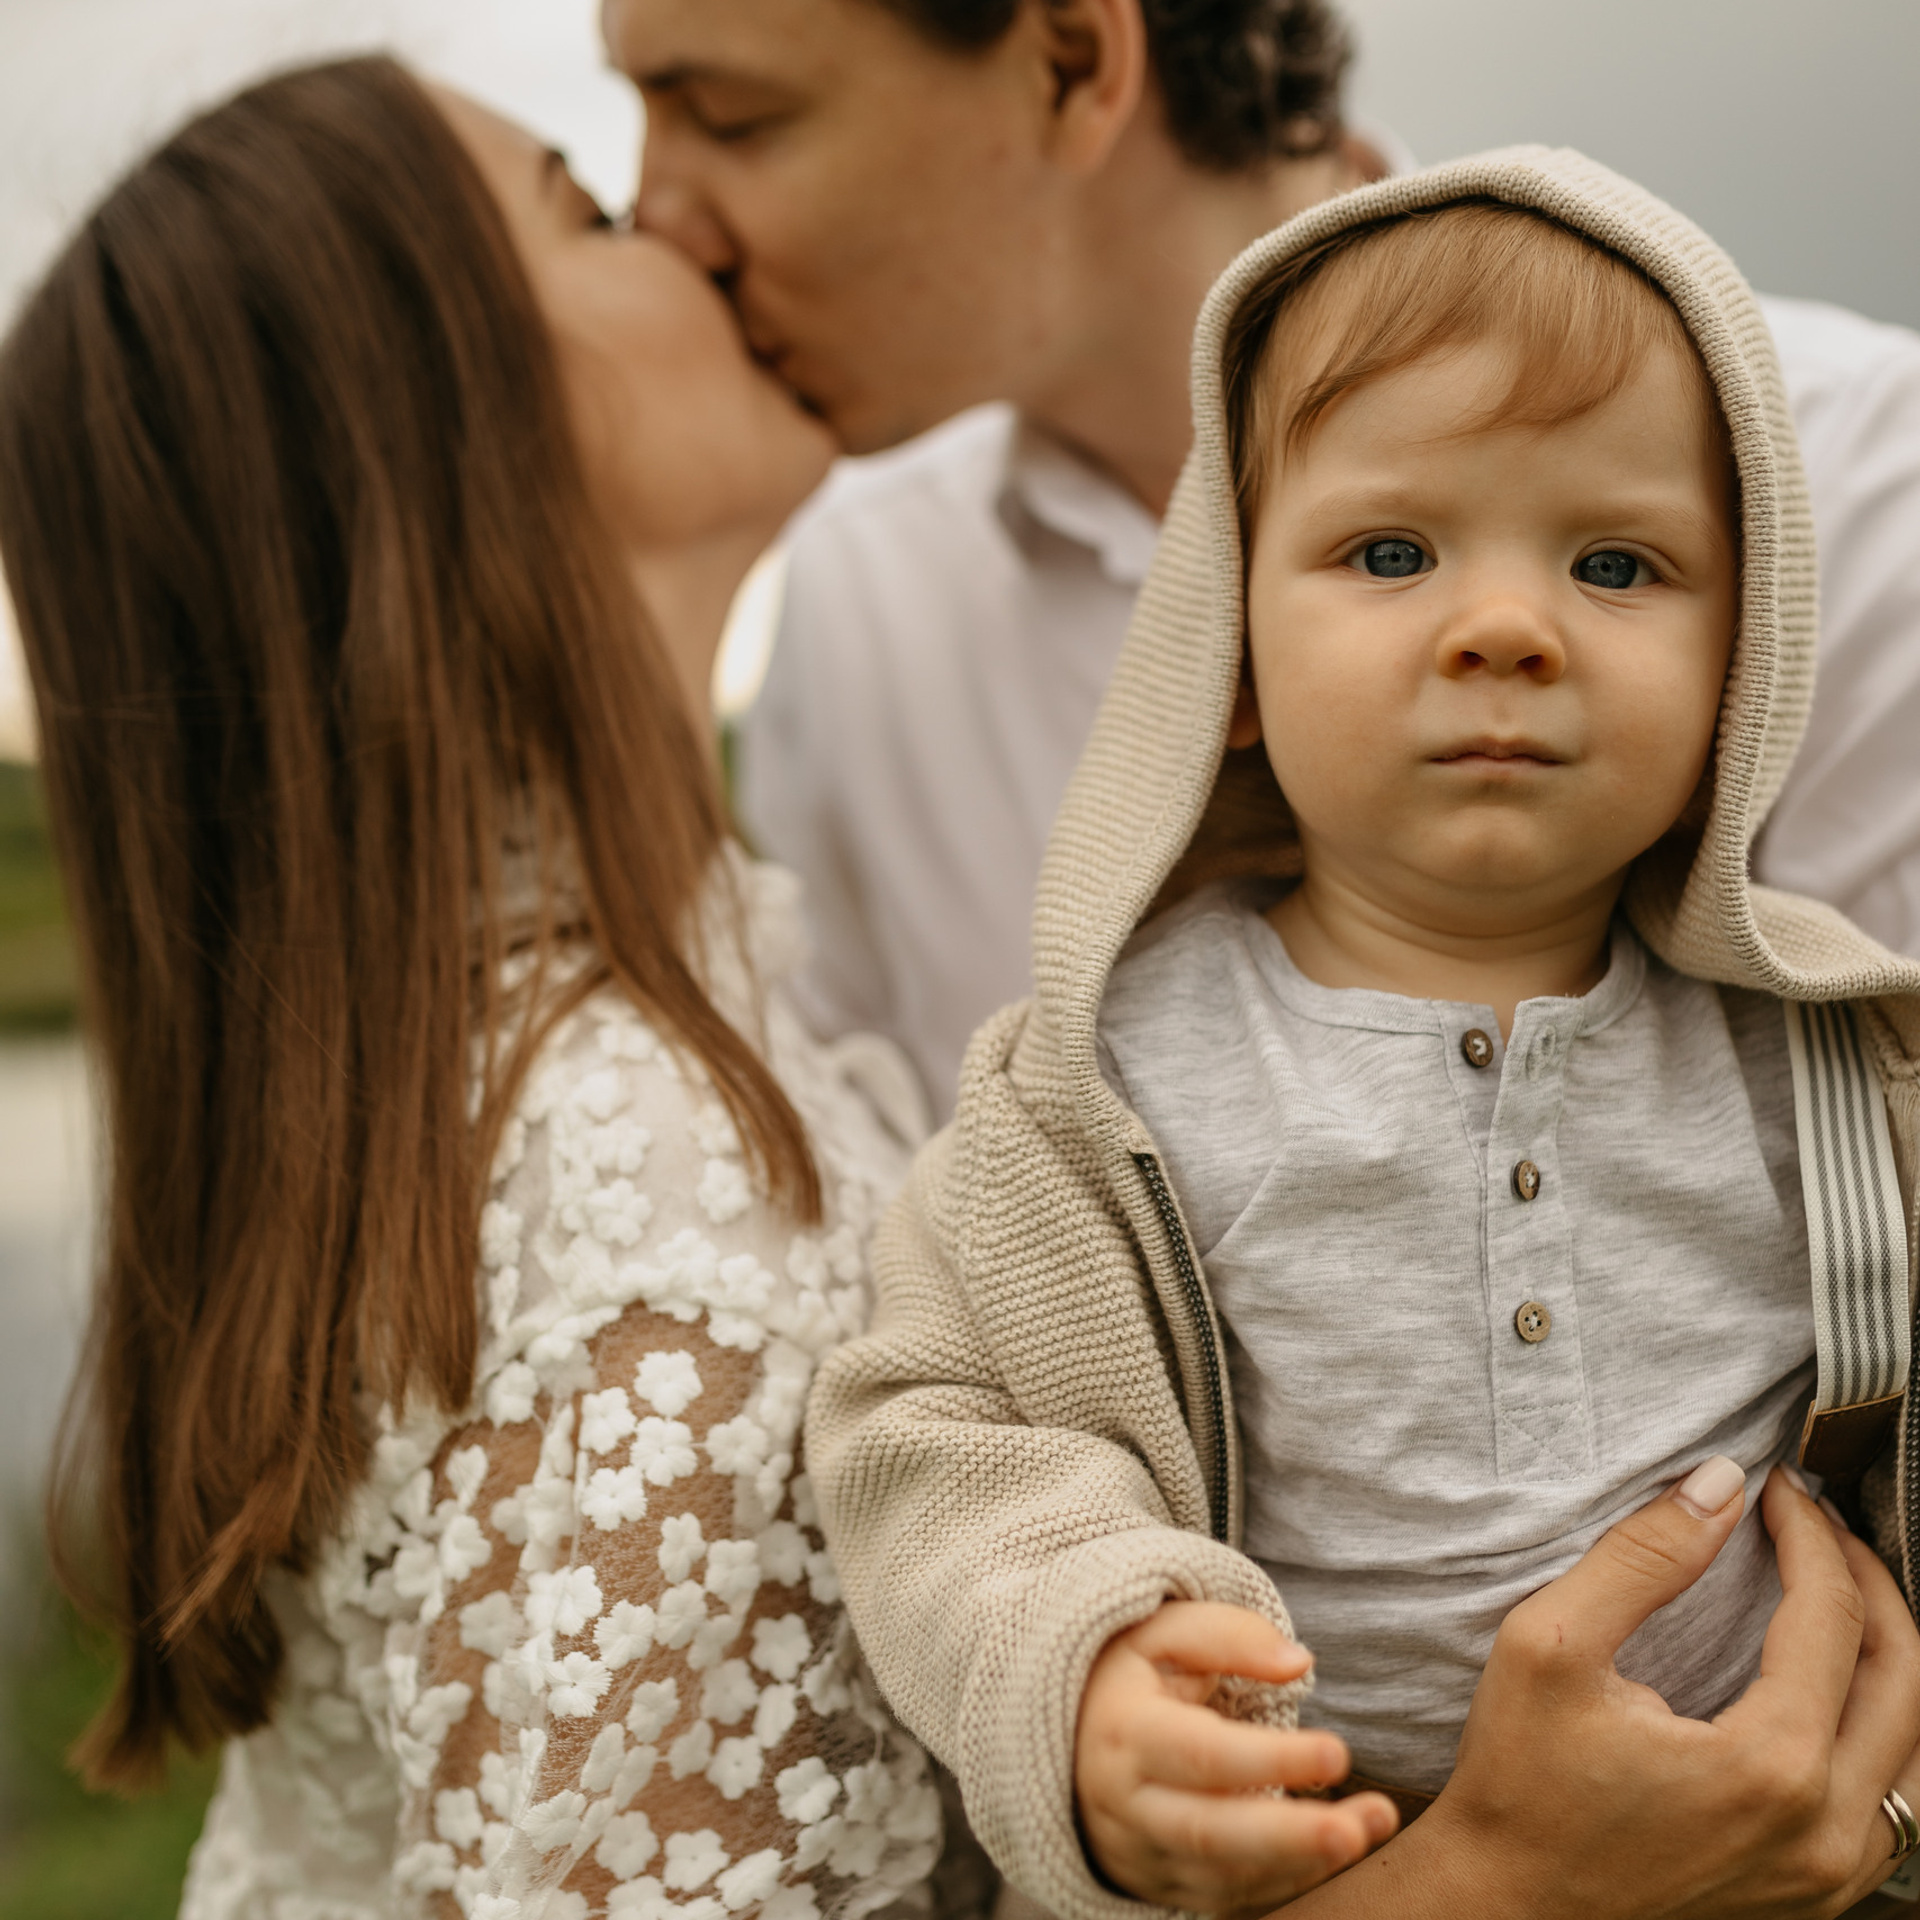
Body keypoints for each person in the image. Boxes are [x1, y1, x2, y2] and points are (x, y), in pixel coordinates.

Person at [807, 152, 1920, 1920]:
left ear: (1747, 662)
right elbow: (939, 1431)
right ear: (1227, 657)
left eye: (1617, 562)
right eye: (1390, 551)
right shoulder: (1101, 1095)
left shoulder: (1845, 1072)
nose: (1504, 629)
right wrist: (1082, 1675)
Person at [0, 57, 944, 1919]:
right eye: (586, 213)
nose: (681, 217)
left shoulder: (446, 1099)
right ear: (441, 435)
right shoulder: (653, 1203)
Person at [600, 0, 1920, 1120]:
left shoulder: (1862, 492)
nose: (657, 218)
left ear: (1070, 60)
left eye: (729, 118)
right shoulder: (860, 603)